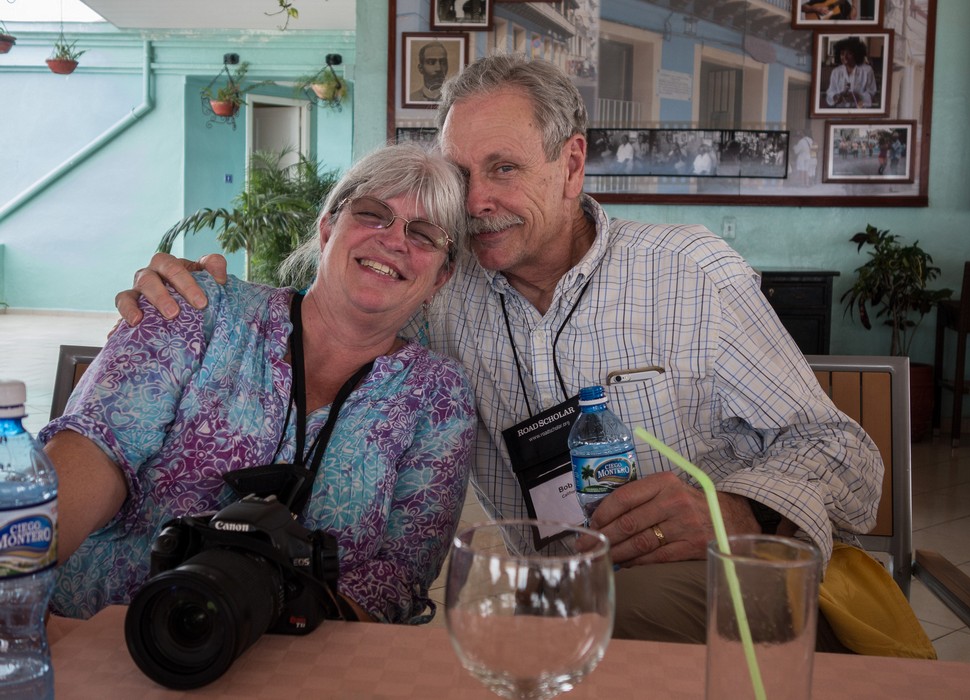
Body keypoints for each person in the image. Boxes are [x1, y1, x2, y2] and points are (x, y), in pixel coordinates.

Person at [117, 55, 883, 650]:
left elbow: (846, 455)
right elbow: (342, 303)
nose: (476, 199)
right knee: (494, 626)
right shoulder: (446, 291)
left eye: (504, 168)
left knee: (530, 630)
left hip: (706, 575)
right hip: (547, 586)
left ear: (573, 163)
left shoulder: (687, 273)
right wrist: (204, 299)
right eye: (460, 173)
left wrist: (733, 507)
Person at [42, 144, 477, 624]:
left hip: (304, 659)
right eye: (373, 214)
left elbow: (398, 574)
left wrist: (269, 624)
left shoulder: (438, 395)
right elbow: (99, 446)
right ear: (328, 227)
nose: (394, 240)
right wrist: (13, 581)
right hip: (106, 631)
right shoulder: (198, 307)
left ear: (442, 276)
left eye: (424, 234)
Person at [825, 36, 877, 109]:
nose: (845, 57)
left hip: (860, 112)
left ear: (856, 54)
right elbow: (830, 92)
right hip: (840, 113)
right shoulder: (836, 72)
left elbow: (872, 93)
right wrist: (835, 97)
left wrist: (857, 96)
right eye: (842, 54)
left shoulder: (867, 70)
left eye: (849, 54)